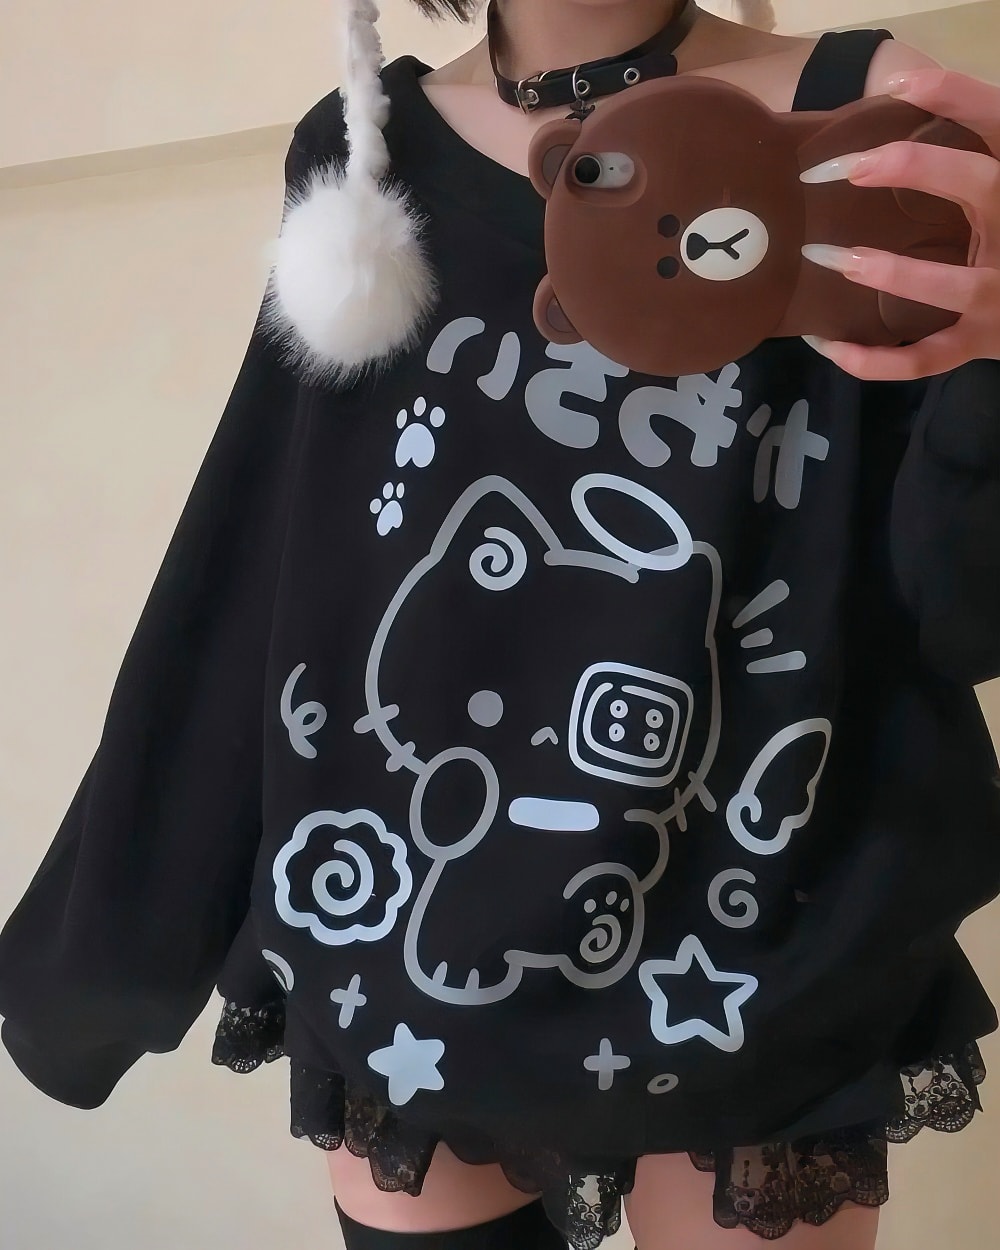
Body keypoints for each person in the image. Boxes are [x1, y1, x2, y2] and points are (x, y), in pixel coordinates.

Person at [1, 2, 999, 1248]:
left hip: (760, 967)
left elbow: (960, 617)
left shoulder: (884, 129)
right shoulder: (365, 159)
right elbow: (261, 554)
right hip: (408, 959)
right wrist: (107, 947)